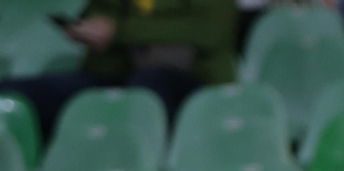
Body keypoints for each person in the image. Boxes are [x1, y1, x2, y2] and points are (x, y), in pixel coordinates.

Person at [0, 0, 236, 134]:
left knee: (146, 89)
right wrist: (90, 27)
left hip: (188, 80)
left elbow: (209, 31)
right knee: (15, 92)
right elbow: (97, 10)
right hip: (113, 74)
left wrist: (119, 31)